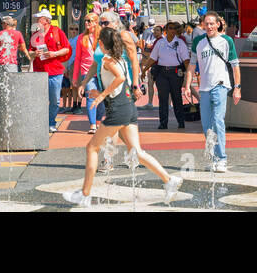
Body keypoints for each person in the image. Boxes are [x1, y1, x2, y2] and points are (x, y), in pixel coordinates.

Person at [63, 27, 182, 207]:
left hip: (118, 110)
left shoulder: (107, 60)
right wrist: (99, 91)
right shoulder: (119, 60)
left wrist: (102, 95)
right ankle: (168, 179)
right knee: (137, 152)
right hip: (127, 107)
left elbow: (118, 79)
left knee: (91, 148)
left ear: (101, 43)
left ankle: (85, 194)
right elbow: (118, 81)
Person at [183, 11, 240, 172]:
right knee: (207, 125)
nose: (209, 26)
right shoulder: (198, 42)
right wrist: (187, 86)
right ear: (203, 25)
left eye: (211, 23)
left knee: (217, 121)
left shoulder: (226, 41)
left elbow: (235, 65)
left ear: (218, 24)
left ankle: (222, 158)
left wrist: (237, 87)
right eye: (206, 24)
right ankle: (213, 157)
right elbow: (192, 65)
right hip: (204, 88)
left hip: (220, 85)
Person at [30, 9, 70, 133]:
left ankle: (51, 122)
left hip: (55, 71)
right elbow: (29, 52)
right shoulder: (35, 34)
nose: (37, 20)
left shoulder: (58, 32)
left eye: (39, 18)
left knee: (55, 100)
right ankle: (42, 123)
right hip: (39, 71)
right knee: (39, 99)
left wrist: (54, 54)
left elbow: (67, 49)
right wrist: (34, 53)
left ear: (47, 20)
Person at [149, 22, 191, 130]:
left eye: (174, 28)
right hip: (162, 73)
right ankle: (163, 123)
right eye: (170, 28)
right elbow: (153, 58)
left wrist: (188, 73)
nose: (172, 30)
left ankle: (181, 122)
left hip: (176, 73)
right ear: (166, 30)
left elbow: (186, 60)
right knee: (163, 99)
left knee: (177, 97)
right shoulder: (160, 43)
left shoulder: (180, 43)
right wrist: (144, 70)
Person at [73, 14, 100, 132]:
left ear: (96, 22)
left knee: (102, 98)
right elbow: (77, 58)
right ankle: (93, 124)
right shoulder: (81, 38)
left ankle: (98, 120)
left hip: (101, 71)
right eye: (85, 21)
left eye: (89, 21)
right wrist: (75, 77)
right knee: (90, 96)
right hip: (86, 71)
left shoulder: (102, 36)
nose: (86, 23)